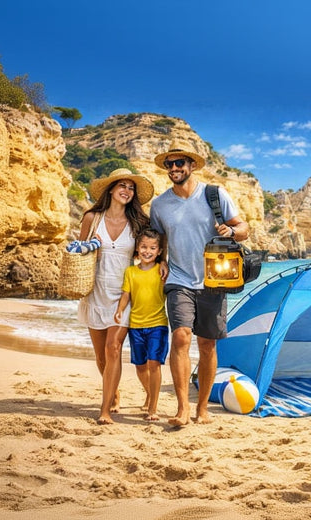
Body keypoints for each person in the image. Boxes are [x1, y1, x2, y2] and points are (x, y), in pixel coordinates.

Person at [149, 141, 249, 425]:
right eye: (169, 164)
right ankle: (182, 409)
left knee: (207, 345)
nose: (174, 168)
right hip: (179, 279)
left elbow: (244, 228)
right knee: (180, 336)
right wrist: (161, 261)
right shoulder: (160, 204)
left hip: (214, 281)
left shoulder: (214, 195)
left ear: (191, 166)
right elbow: (157, 240)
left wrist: (231, 231)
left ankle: (202, 409)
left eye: (180, 163)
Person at [77, 168, 154, 425]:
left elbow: (151, 250)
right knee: (101, 356)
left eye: (131, 188)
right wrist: (90, 252)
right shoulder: (91, 218)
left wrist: (161, 264)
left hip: (124, 294)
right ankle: (114, 392)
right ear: (110, 189)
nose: (127, 191)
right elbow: (78, 254)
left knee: (113, 348)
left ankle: (105, 410)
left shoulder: (138, 224)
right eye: (122, 185)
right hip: (95, 293)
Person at [113, 229, 170, 421]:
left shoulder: (162, 271)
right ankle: (150, 393)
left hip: (158, 325)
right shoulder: (130, 272)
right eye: (144, 247)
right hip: (135, 325)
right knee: (139, 366)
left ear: (159, 250)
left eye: (152, 248)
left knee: (154, 363)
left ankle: (153, 408)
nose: (148, 251)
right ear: (137, 249)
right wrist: (120, 310)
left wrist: (165, 264)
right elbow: (126, 295)